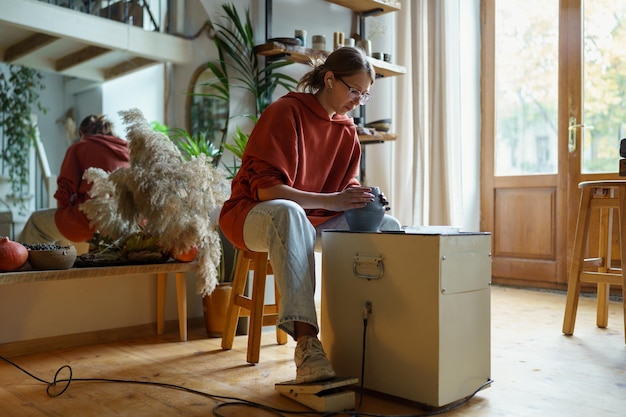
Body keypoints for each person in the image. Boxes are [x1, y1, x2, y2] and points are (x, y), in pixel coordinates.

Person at [219, 46, 401, 384]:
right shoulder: (285, 112)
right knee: (289, 214)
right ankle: (307, 344)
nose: (358, 101)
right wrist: (335, 201)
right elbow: (267, 192)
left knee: (385, 225)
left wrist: (366, 200)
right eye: (354, 90)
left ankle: (379, 337)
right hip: (252, 215)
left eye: (365, 95)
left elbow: (347, 189)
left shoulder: (347, 132)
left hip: (312, 219)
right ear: (329, 79)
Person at [19, 114, 130, 253]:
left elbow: (65, 192)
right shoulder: (128, 151)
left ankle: (32, 272)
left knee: (35, 223)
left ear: (82, 133)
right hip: (128, 223)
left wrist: (64, 212)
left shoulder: (79, 147)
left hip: (92, 220)